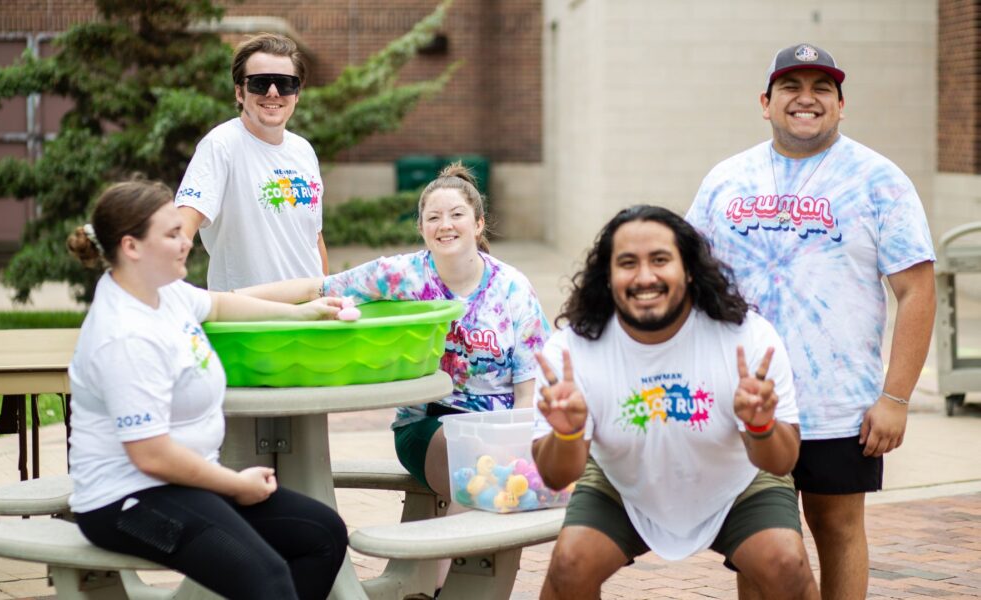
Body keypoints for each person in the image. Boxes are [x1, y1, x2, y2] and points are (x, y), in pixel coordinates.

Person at [687, 43, 936, 599]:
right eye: (791, 87)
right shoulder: (727, 180)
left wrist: (895, 398)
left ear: (840, 105)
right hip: (749, 400)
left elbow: (916, 289)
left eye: (821, 88)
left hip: (842, 406)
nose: (806, 99)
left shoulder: (880, 180)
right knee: (757, 545)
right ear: (766, 102)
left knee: (839, 530)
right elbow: (689, 282)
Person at [66, 179, 348, 600]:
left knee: (322, 535)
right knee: (266, 578)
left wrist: (302, 312)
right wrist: (232, 484)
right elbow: (151, 455)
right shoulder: (124, 335)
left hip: (183, 485)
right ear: (132, 247)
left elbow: (219, 304)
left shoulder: (164, 293)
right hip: (126, 504)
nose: (186, 242)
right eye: (172, 234)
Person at [532, 206, 818, 600]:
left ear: (688, 269)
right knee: (569, 564)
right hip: (623, 482)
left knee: (787, 564)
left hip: (737, 481)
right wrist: (566, 434)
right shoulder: (571, 349)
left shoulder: (747, 336)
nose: (645, 276)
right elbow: (553, 474)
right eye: (628, 263)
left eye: (660, 260)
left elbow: (781, 462)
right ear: (608, 276)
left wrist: (760, 425)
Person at [240, 163, 551, 498]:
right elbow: (320, 288)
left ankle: (440, 551)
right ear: (421, 228)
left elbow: (527, 393)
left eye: (457, 215)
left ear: (478, 224)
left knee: (516, 479)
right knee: (479, 472)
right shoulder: (404, 275)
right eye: (433, 218)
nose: (445, 225)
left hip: (502, 429)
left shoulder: (513, 289)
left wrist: (514, 449)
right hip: (428, 425)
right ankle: (448, 550)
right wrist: (230, 300)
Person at [176, 33, 328, 291]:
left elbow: (313, 239)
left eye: (285, 83)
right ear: (239, 92)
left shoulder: (303, 150)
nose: (273, 92)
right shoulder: (220, 146)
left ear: (296, 94)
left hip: (310, 315)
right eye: (260, 83)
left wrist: (327, 293)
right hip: (250, 319)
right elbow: (181, 226)